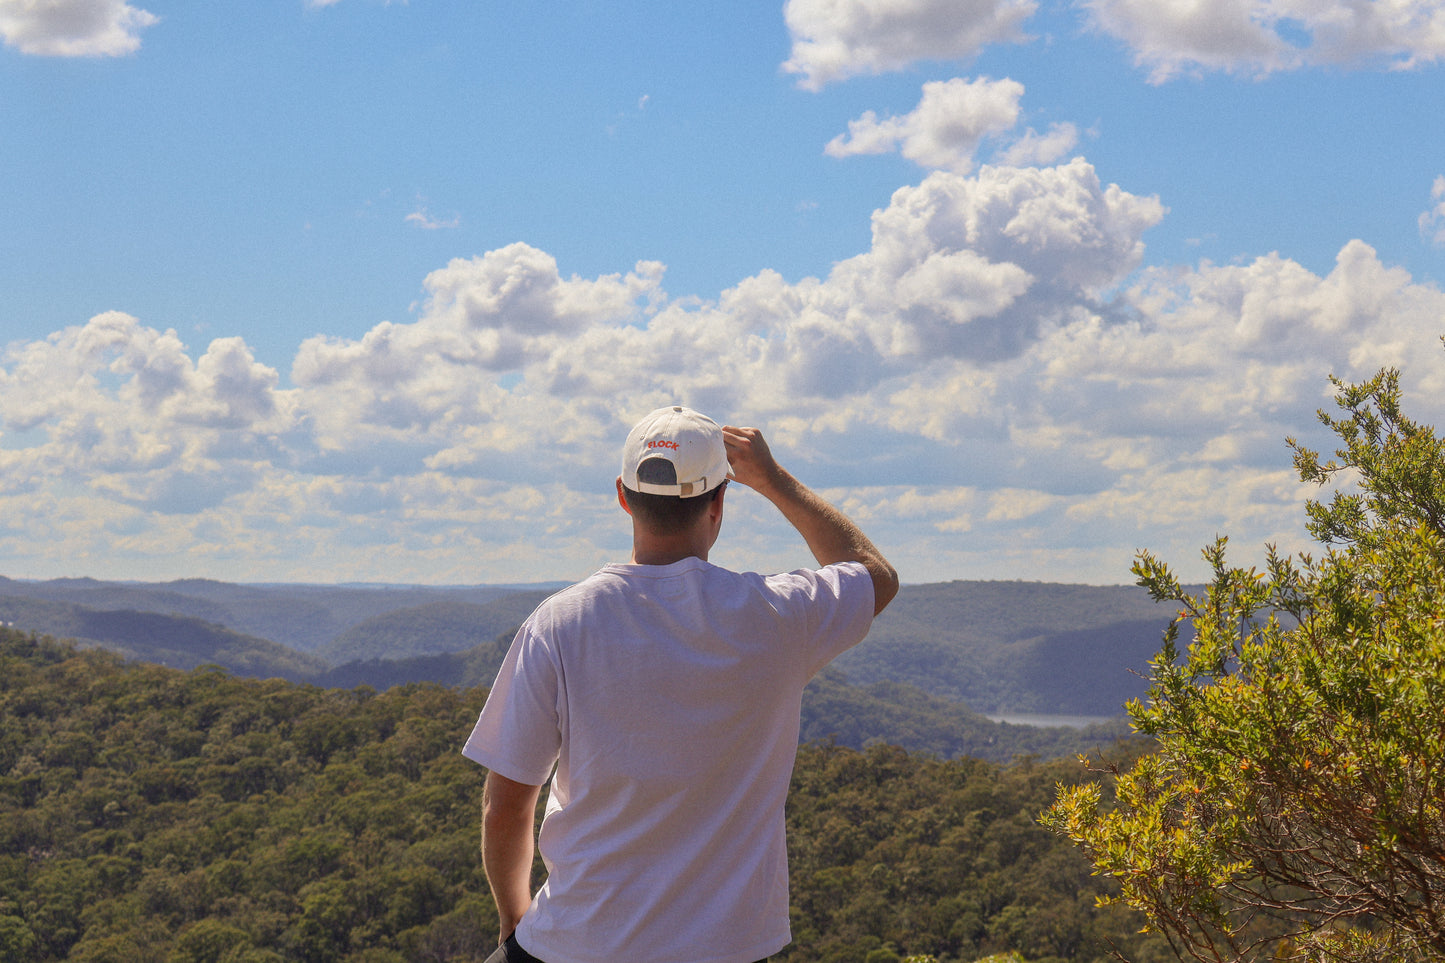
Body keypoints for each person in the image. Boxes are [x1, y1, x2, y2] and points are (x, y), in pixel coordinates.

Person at [462, 405, 899, 963]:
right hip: (729, 949)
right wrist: (774, 480)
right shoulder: (778, 615)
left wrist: (513, 918)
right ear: (719, 504)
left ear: (623, 497)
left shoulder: (561, 624)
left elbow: (506, 807)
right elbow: (876, 576)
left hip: (577, 943)